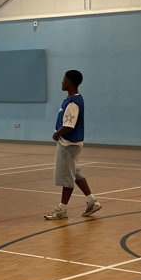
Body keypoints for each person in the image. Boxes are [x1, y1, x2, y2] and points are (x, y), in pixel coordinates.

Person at [43, 70, 102, 220]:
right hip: (71, 143)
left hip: (68, 144)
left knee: (67, 176)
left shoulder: (73, 102)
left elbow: (69, 125)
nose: (62, 82)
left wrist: (56, 134)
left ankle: (62, 209)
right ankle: (91, 201)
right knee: (74, 172)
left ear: (70, 82)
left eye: (64, 79)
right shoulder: (71, 99)